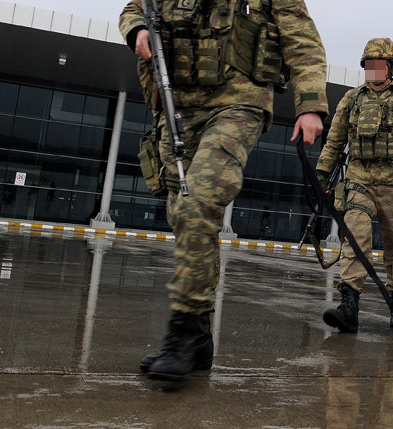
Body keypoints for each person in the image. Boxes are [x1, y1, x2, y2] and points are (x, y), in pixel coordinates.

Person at [120, 0, 329, 381]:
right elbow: (136, 6)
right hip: (177, 104)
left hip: (238, 101)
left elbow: (302, 39)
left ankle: (181, 333)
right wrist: (137, 29)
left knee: (197, 200)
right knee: (184, 218)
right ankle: (199, 337)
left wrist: (310, 105)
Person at [316, 38, 393, 334]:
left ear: (391, 67)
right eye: (369, 64)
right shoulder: (351, 99)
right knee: (354, 237)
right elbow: (334, 140)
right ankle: (349, 306)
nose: (373, 69)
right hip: (359, 178)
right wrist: (322, 173)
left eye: (379, 64)